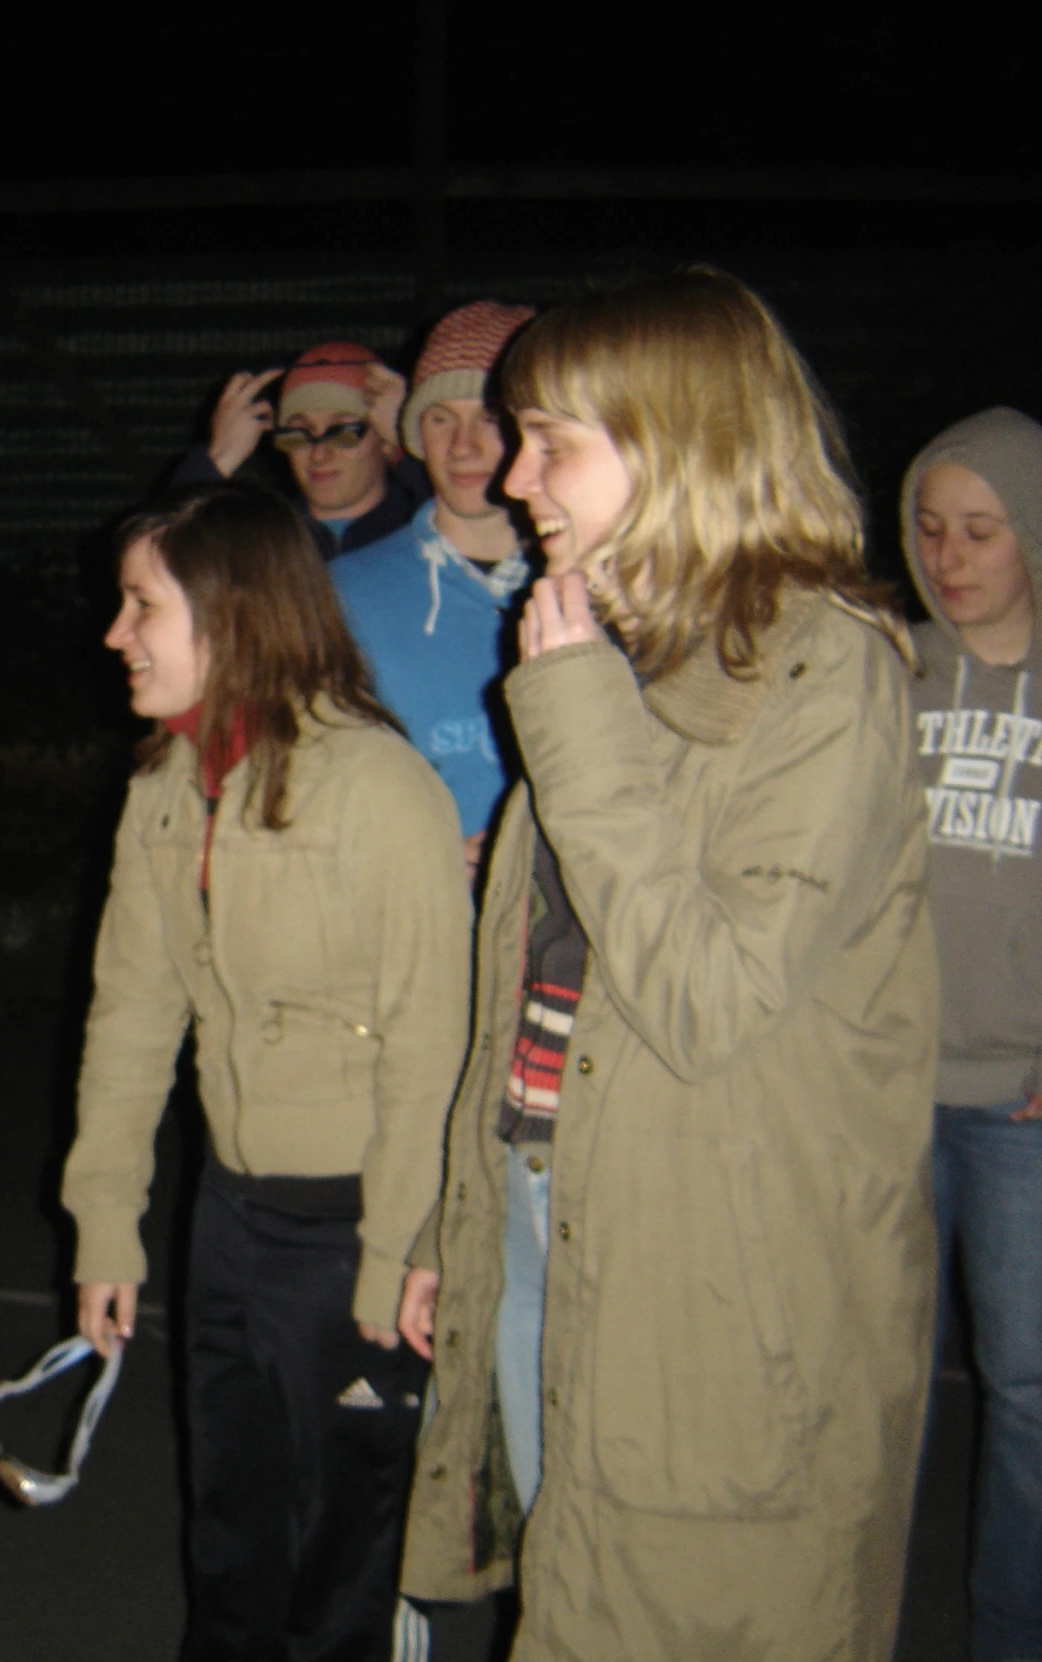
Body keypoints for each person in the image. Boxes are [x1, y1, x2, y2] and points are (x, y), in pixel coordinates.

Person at [398, 270, 936, 1659]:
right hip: (547, 1214)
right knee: (569, 1589)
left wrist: (575, 714)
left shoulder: (828, 670)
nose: (514, 478)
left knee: (661, 1610)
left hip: (712, 1273)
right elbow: (533, 989)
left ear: (682, 440)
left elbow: (705, 998)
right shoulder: (613, 645)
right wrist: (452, 1228)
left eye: (552, 441)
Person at [63, 479, 471, 1662]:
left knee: (341, 1555)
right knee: (229, 1532)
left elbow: (428, 1044)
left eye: (140, 606)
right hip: (229, 1216)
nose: (115, 634)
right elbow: (131, 1018)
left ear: (228, 613)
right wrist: (105, 1225)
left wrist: (403, 1251)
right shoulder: (160, 793)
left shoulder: (377, 790)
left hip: (354, 1224)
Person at [900, 406, 1042, 1662]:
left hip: (1019, 1107)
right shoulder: (890, 669)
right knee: (876, 1396)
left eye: (980, 531)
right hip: (884, 1095)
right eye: (932, 528)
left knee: (1031, 1397)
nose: (949, 555)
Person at [330, 300, 536, 869]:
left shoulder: (595, 590)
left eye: (491, 417)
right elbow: (301, 784)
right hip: (413, 933)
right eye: (441, 417)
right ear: (415, 433)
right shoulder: (342, 594)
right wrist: (417, 855)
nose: (463, 446)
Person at [176, 341, 427, 556]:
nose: (319, 455)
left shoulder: (425, 531)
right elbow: (161, 559)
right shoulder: (261, 542)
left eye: (343, 433)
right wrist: (218, 458)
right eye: (299, 435)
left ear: (384, 440)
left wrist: (409, 447)